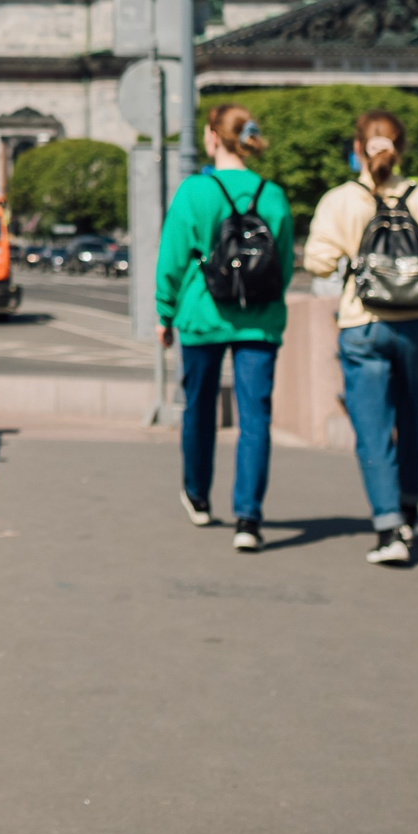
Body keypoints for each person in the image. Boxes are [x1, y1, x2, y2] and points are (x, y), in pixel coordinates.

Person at [304, 110, 418, 566]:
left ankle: (388, 526)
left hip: (363, 321)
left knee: (372, 429)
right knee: (412, 416)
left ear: (357, 149)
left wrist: (350, 258)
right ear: (401, 148)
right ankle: (410, 506)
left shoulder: (340, 201)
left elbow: (317, 262)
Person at [154, 104, 293, 553]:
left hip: (202, 315)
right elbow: (284, 264)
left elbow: (172, 257)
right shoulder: (272, 195)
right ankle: (248, 519)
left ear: (213, 137)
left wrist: (164, 314)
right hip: (259, 320)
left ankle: (197, 495)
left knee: (199, 408)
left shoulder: (194, 191)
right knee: (255, 419)